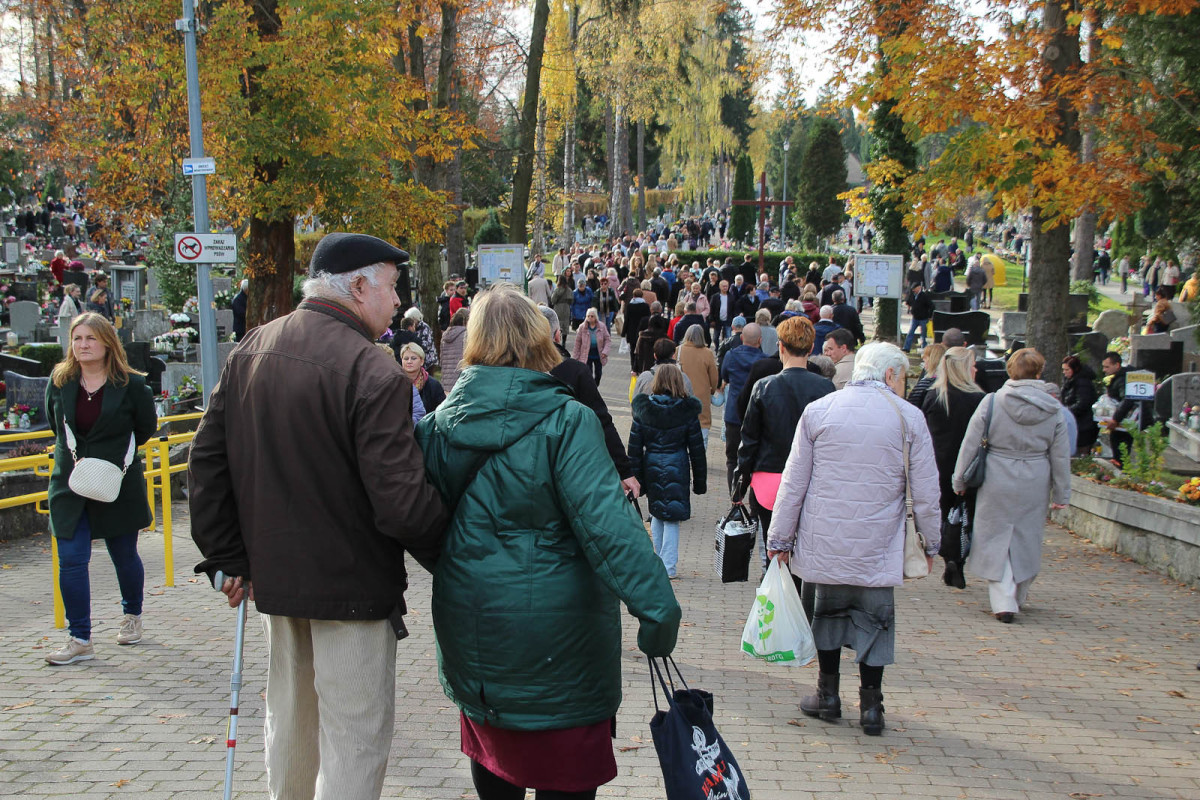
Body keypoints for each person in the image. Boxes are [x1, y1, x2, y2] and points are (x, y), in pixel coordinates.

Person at [189, 232, 450, 800]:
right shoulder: (372, 370)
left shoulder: (252, 348)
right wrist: (454, 547)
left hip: (276, 584)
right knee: (353, 736)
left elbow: (205, 462)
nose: (395, 298)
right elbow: (402, 502)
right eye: (390, 286)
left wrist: (226, 555)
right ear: (357, 286)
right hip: (353, 589)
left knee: (291, 723)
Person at [414, 283, 680, 800]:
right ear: (541, 340)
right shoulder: (567, 422)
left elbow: (421, 524)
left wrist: (461, 566)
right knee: (565, 774)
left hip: (476, 629)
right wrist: (658, 613)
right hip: (564, 643)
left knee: (494, 759)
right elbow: (611, 531)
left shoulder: (437, 429)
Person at [767, 342, 940, 736]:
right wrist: (931, 543)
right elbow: (928, 490)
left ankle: (827, 694)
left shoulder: (820, 411)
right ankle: (872, 705)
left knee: (826, 616)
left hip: (823, 540)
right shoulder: (909, 418)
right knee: (875, 621)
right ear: (891, 375)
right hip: (878, 545)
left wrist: (779, 538)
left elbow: (794, 482)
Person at [43, 313, 158, 666]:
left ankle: (131, 616)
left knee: (123, 555)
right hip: (71, 483)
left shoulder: (132, 386)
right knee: (72, 560)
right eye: (77, 338)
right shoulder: (60, 382)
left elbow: (145, 427)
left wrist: (110, 456)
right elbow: (55, 424)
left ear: (108, 342)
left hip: (116, 483)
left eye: (90, 338)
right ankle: (80, 638)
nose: (83, 345)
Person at [953, 348, 1070, 623]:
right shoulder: (1053, 409)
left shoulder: (992, 402)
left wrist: (959, 479)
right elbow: (1060, 454)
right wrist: (1062, 491)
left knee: (995, 534)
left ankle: (1003, 597)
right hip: (1035, 475)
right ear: (1039, 372)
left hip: (997, 473)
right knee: (1026, 535)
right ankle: (1018, 591)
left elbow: (970, 443)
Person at [734, 317, 834, 563]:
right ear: (811, 349)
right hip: (812, 480)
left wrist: (739, 484)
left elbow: (748, 441)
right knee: (807, 552)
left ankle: (775, 594)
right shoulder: (826, 388)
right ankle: (800, 598)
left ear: (780, 346)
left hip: (769, 480)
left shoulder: (763, 387)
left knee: (772, 549)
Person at [629, 364, 707, 580]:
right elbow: (697, 449)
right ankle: (669, 566)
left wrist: (636, 478)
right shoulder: (687, 411)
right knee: (672, 516)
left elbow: (634, 446)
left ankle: (658, 561)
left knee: (656, 511)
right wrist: (700, 482)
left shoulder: (644, 408)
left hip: (651, 464)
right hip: (678, 465)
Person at [920, 347, 985, 589]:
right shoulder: (978, 399)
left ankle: (946, 552)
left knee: (943, 511)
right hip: (967, 464)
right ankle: (957, 556)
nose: (976, 369)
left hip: (938, 461)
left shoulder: (934, 396)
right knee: (965, 514)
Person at [719, 322, 767, 491]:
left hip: (734, 413)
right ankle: (754, 508)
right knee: (757, 460)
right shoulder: (765, 361)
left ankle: (735, 497)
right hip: (757, 415)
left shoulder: (731, 356)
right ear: (760, 340)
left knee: (732, 459)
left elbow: (724, 375)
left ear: (741, 338)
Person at [1101, 351, 1153, 468]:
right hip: (1127, 420)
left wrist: (1115, 419)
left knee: (1121, 450)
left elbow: (1127, 400)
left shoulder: (1123, 379)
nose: (1104, 370)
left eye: (1107, 367)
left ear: (1117, 365)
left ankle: (1120, 471)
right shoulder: (1122, 376)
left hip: (1126, 421)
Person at [677, 324, 719, 446]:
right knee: (702, 426)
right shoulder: (707, 353)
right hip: (701, 396)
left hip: (682, 395)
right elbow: (714, 378)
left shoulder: (678, 350)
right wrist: (711, 391)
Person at [1060, 355, 1099, 456]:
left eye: (1067, 369)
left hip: (1083, 425)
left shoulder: (1082, 383)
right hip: (1078, 422)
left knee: (1081, 452)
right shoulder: (1071, 381)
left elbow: (1083, 403)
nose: (1064, 372)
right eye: (1063, 370)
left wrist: (1066, 412)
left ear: (1074, 369)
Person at [399, 341, 446, 414]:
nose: (409, 361)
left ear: (422, 361)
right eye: (406, 358)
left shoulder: (433, 385)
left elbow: (442, 411)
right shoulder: (396, 383)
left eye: (413, 358)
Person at [571, 307, 611, 385]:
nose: (590, 318)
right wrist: (575, 357)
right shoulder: (582, 327)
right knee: (588, 373)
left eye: (592, 316)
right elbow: (578, 342)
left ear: (596, 317)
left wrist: (605, 351)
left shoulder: (602, 326)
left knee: (598, 373)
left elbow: (607, 340)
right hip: (586, 354)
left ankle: (595, 385)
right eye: (588, 316)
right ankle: (591, 387)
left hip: (599, 354)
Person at [907, 343, 947, 409]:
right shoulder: (949, 382)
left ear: (932, 360)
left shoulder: (925, 384)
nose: (923, 360)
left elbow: (911, 406)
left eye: (925, 357)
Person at [440, 308, 469, 395]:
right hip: (461, 381)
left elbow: (442, 360)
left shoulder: (445, 336)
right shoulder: (466, 335)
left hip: (446, 382)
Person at [903, 282, 933, 352]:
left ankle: (924, 348)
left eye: (915, 289)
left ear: (919, 288)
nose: (913, 290)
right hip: (915, 318)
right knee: (910, 332)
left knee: (923, 334)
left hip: (923, 318)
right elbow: (909, 302)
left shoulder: (924, 296)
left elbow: (931, 306)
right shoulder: (913, 295)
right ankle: (906, 347)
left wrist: (930, 316)